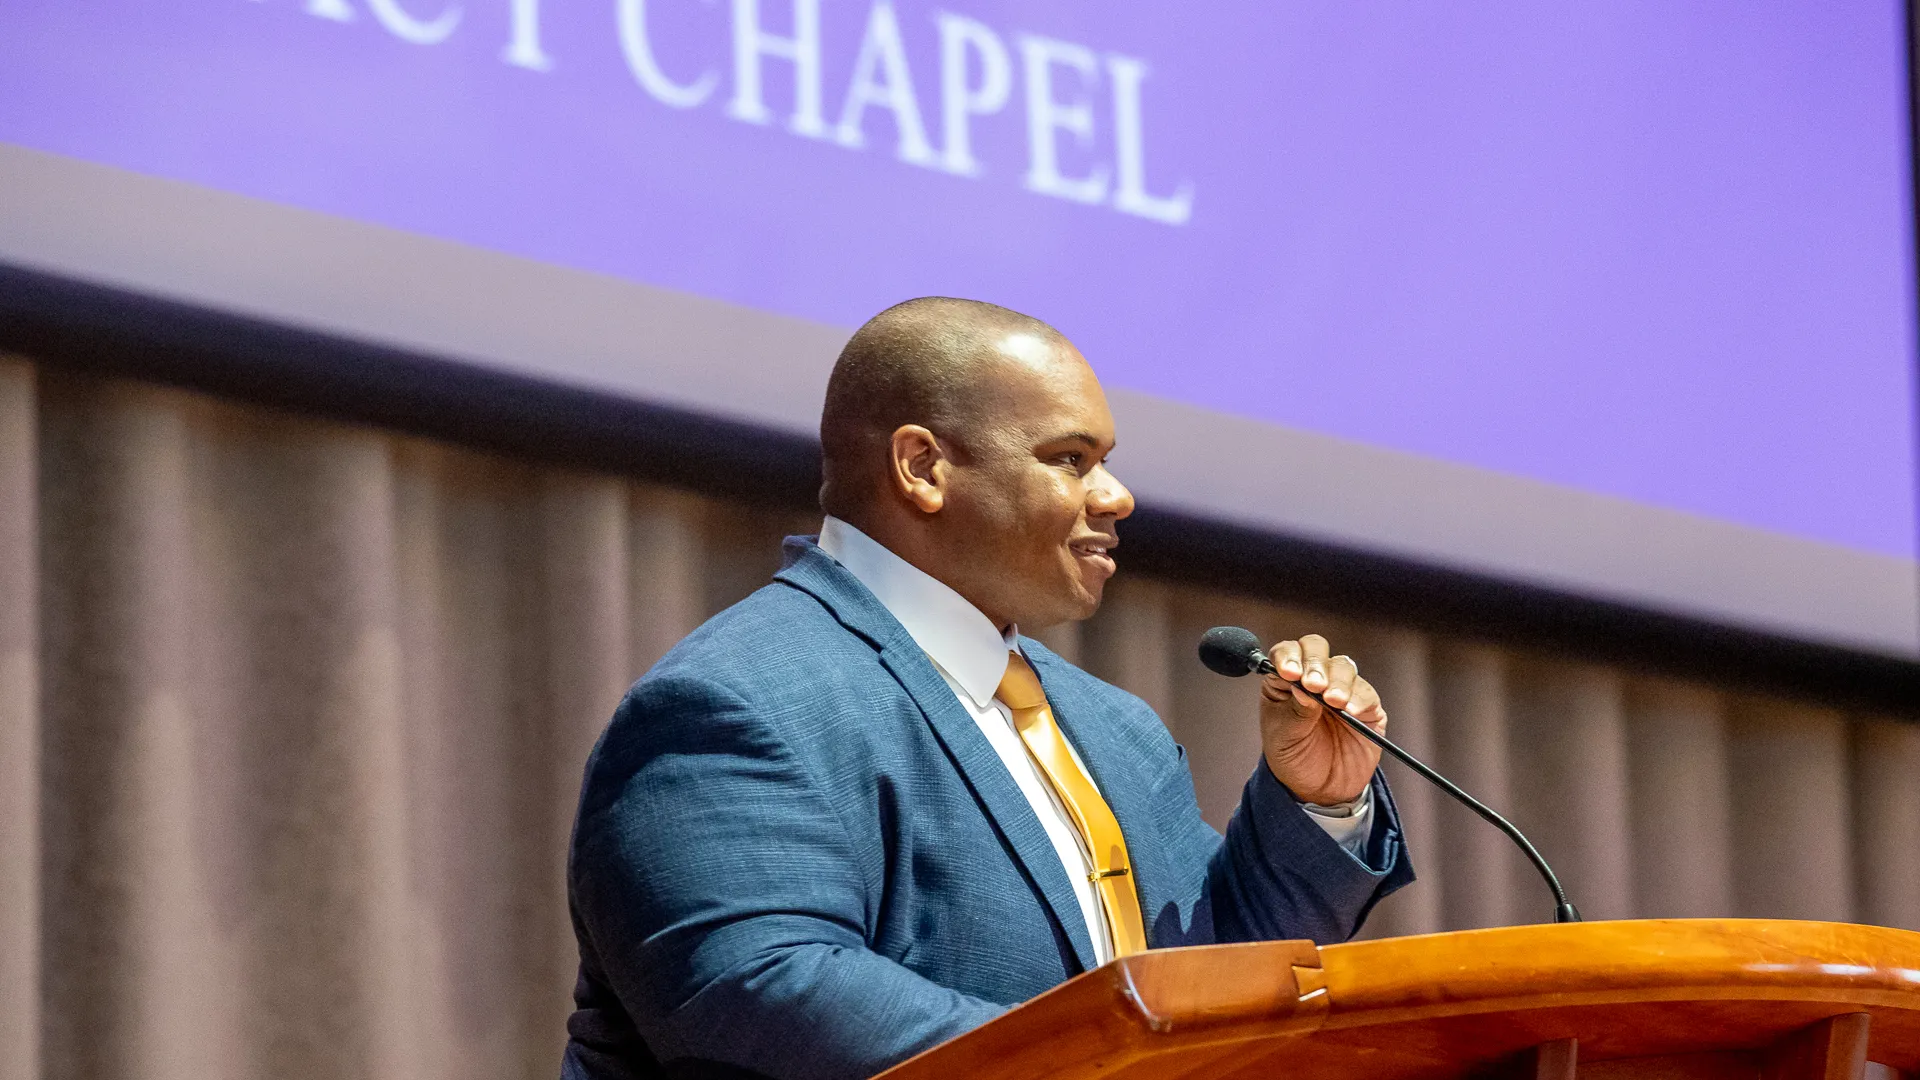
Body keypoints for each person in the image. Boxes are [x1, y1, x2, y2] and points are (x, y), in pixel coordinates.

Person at [561, 298, 1414, 1080]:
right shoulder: (737, 702)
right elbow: (763, 991)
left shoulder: (1114, 728)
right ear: (922, 467)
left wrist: (1318, 802)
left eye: (1105, 462)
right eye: (1071, 459)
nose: (1116, 497)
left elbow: (1212, 973)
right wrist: (1109, 1061)